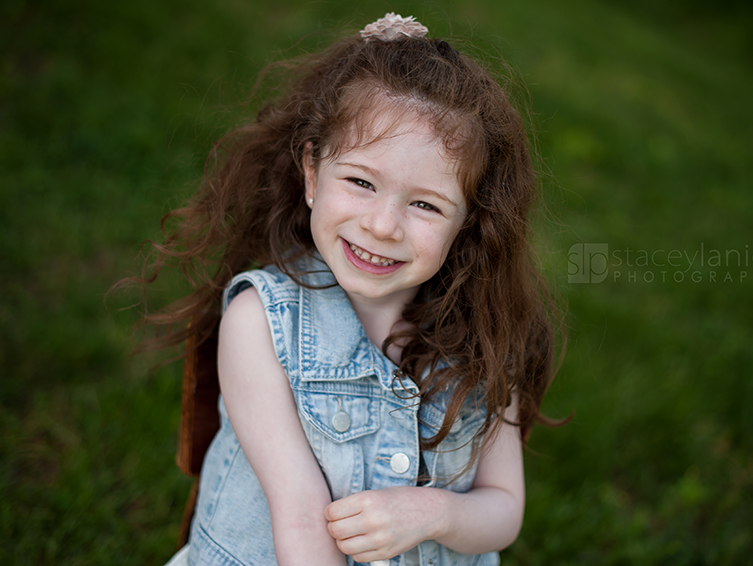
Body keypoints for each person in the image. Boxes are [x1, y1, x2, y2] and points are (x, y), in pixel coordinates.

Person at [146, 12, 565, 566]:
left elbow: (503, 509)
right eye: (362, 182)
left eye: (425, 205)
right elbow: (299, 513)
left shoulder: (484, 339)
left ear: (469, 222)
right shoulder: (261, 323)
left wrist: (431, 512)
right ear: (313, 173)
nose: (384, 225)